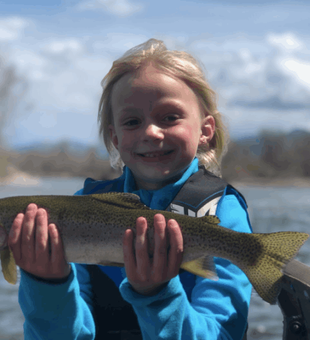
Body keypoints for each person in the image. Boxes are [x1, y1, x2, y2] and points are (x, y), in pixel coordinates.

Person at [8, 39, 252, 340]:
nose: (150, 131)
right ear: (115, 138)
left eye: (170, 117)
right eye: (132, 121)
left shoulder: (221, 210)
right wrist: (47, 283)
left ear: (205, 131)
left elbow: (222, 333)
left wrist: (157, 294)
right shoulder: (83, 205)